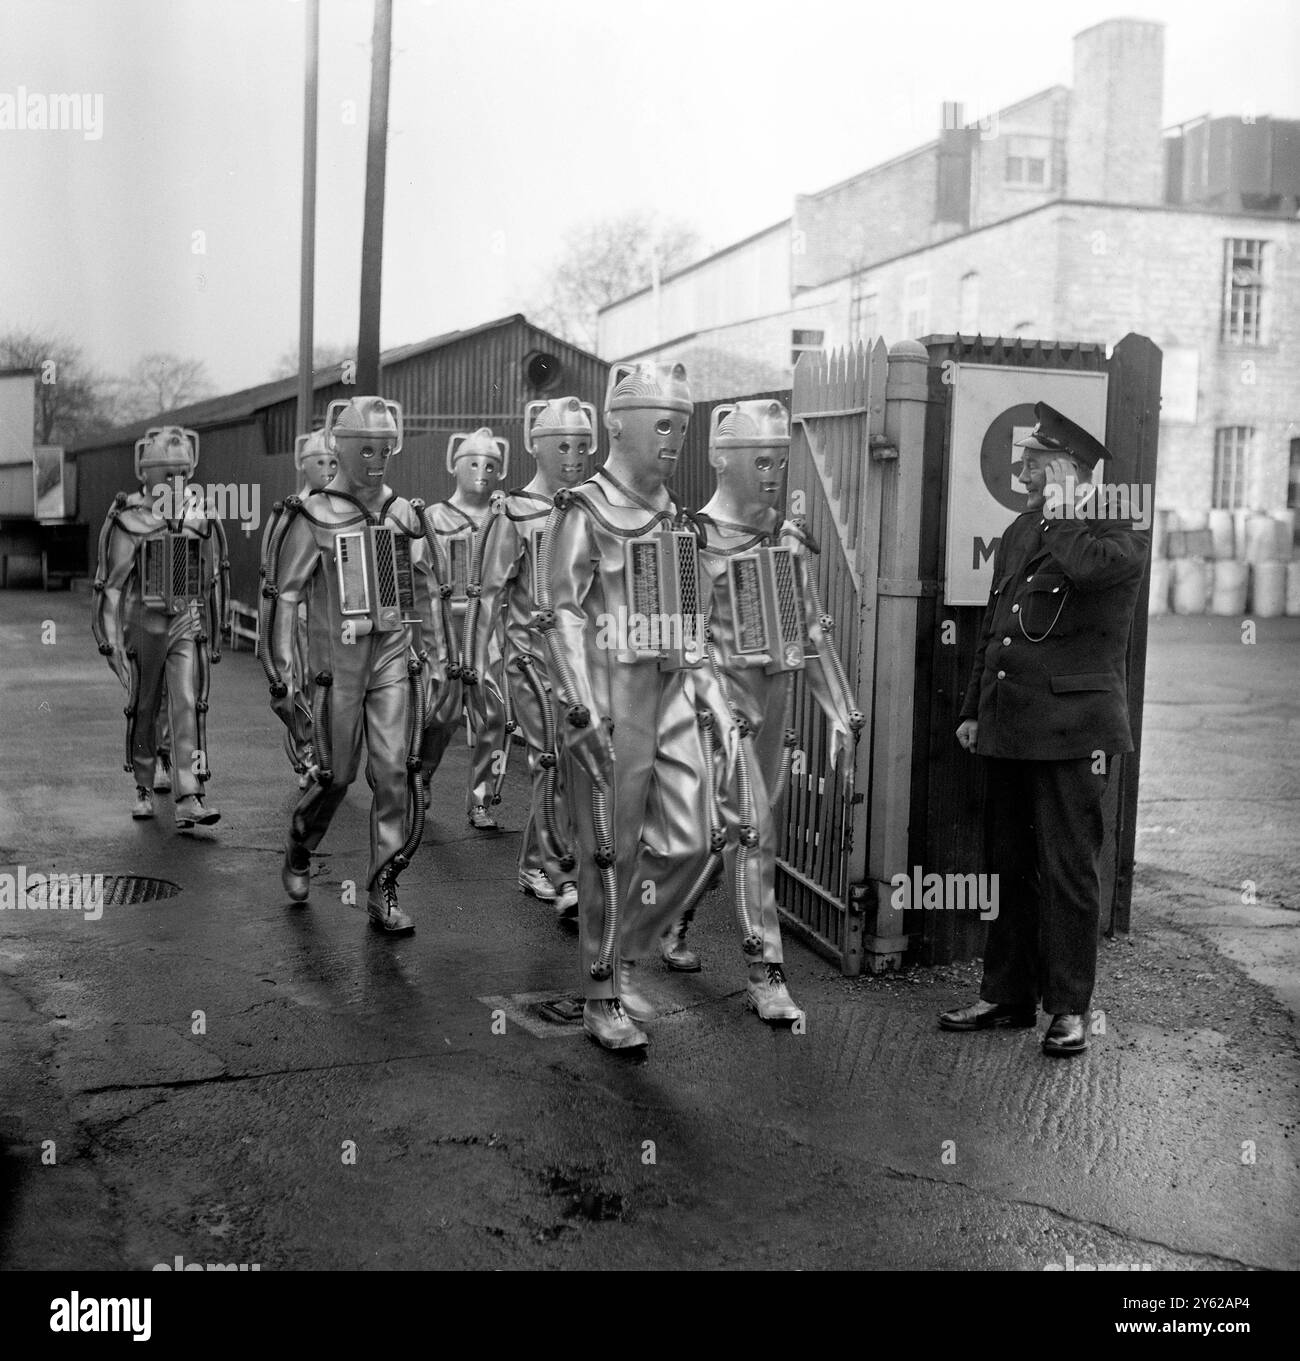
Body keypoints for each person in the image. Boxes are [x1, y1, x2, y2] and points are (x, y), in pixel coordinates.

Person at [537, 360, 735, 1051]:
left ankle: (623, 949)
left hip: (669, 693)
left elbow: (691, 619)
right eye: (661, 422)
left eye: (681, 424)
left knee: (695, 838)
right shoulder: (584, 508)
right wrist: (580, 705)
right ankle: (601, 990)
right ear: (617, 424)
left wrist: (709, 691)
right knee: (607, 851)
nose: (674, 436)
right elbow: (559, 610)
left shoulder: (677, 517)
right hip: (607, 699)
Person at [940, 401, 1148, 1057]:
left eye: (1033, 467)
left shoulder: (1120, 525)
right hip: (1010, 726)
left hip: (1072, 731)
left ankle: (1068, 1008)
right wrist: (974, 708)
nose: (1024, 479)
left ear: (1065, 470)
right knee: (1008, 867)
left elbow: (1089, 570)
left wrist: (1062, 510)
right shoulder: (1021, 531)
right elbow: (995, 627)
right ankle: (1006, 995)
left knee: (1067, 872)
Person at [686, 398, 863, 1019]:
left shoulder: (784, 541)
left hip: (774, 712)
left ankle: (676, 919)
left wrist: (841, 711)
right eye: (760, 460)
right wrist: (711, 703)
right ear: (721, 459)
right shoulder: (693, 537)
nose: (773, 473)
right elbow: (679, 641)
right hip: (719, 714)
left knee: (734, 837)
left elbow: (811, 632)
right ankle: (767, 974)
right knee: (755, 832)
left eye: (780, 462)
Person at [260, 395, 449, 934]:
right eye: (366, 448)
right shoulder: (312, 515)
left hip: (391, 657)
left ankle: (383, 887)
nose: (377, 458)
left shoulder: (403, 514)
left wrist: (434, 657)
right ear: (338, 448)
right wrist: (283, 674)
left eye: (384, 448)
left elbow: (427, 589)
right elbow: (285, 597)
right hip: (334, 666)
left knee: (394, 775)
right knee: (336, 775)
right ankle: (301, 842)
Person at [468, 397, 595, 918]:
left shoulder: (588, 509)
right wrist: (477, 663)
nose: (575, 455)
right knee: (547, 757)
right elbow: (489, 591)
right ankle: (560, 875)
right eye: (563, 445)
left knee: (568, 763)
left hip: (578, 660)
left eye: (583, 446)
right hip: (529, 659)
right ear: (536, 446)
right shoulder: (514, 511)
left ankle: (534, 863)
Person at [92, 425, 227, 828]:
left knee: (187, 702)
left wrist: (213, 630)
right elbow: (112, 585)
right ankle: (144, 784)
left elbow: (211, 577)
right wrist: (110, 640)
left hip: (185, 619)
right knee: (145, 705)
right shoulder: (129, 517)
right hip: (143, 621)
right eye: (167, 473)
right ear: (145, 472)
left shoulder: (199, 516)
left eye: (182, 472)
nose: (176, 481)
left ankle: (189, 795)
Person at [419, 429, 511, 832]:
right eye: (473, 463)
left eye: (491, 465)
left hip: (488, 626)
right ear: (454, 465)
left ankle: (481, 798)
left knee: (493, 712)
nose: (482, 472)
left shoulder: (503, 518)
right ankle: (421, 778)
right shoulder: (435, 519)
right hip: (446, 626)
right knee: (441, 714)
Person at [260, 428, 338, 788]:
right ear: (303, 464)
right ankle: (306, 746)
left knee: (328, 687)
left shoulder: (343, 510)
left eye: (334, 461)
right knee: (291, 684)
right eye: (320, 461)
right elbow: (271, 567)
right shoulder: (290, 511)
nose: (327, 468)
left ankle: (321, 753)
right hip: (294, 613)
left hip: (328, 617)